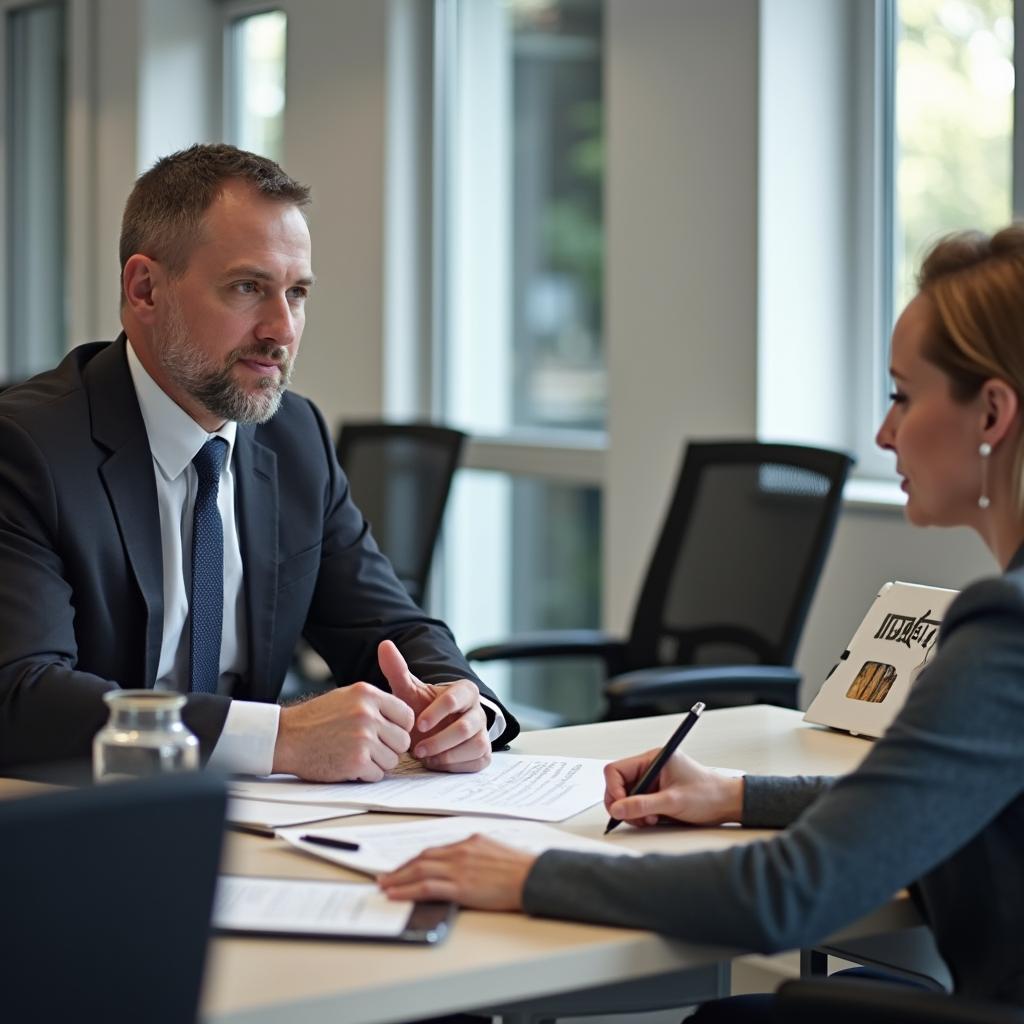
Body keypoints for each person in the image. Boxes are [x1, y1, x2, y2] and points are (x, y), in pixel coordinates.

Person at [380, 225, 1024, 1012]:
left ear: (992, 412)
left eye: (902, 394)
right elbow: (913, 802)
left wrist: (529, 873)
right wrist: (736, 794)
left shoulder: (1006, 631)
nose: (884, 432)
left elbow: (791, 892)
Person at [0, 143, 518, 780]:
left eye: (296, 293)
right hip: (82, 818)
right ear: (145, 289)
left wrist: (458, 705)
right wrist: (276, 737)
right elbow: (20, 696)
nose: (281, 329)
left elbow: (387, 625)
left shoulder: (293, 436)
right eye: (248, 288)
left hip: (270, 823)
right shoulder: (27, 445)